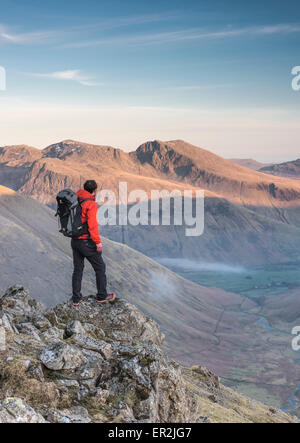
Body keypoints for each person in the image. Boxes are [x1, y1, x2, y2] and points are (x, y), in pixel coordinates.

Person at [71, 180, 115, 306]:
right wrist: (98, 242)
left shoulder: (76, 199)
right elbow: (92, 225)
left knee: (78, 269)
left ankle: (76, 298)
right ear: (94, 191)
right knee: (100, 267)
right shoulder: (90, 203)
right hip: (86, 241)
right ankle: (102, 296)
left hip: (74, 241)